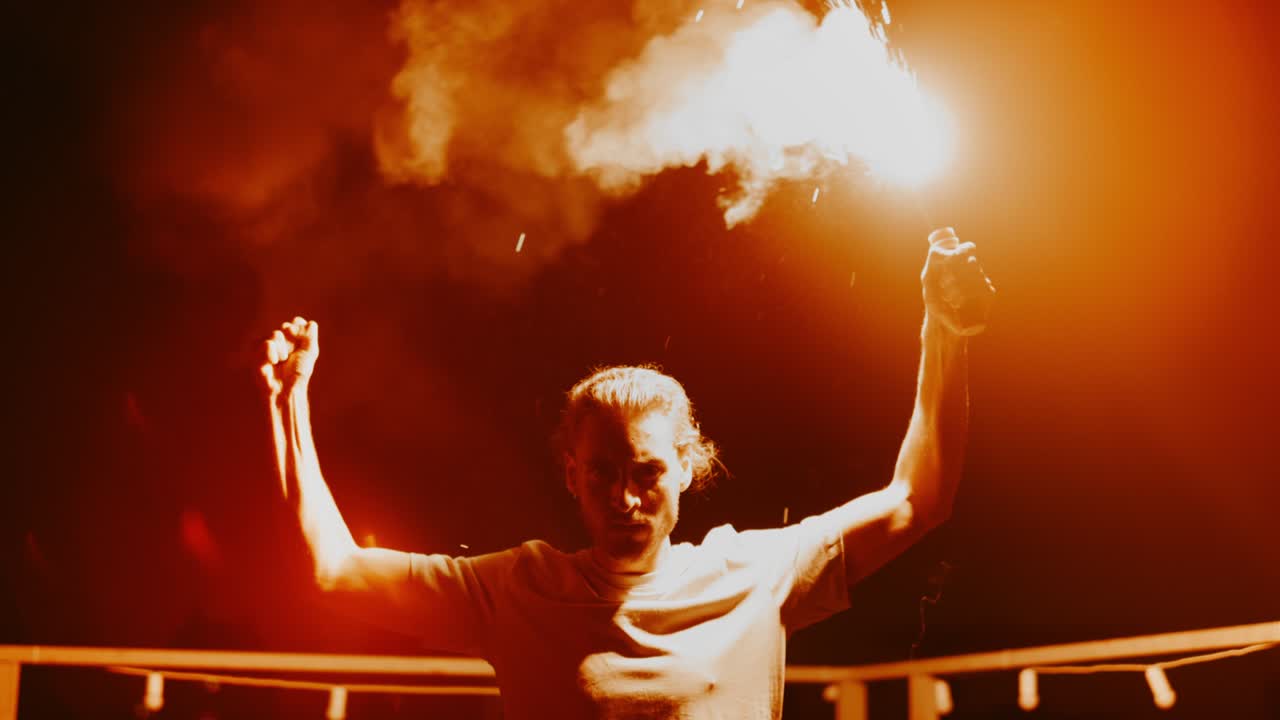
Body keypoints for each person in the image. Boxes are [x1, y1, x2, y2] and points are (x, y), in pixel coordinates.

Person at [259, 232, 994, 719]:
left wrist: (943, 329)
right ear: (570, 474)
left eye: (646, 470)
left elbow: (917, 501)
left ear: (687, 468)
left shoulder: (755, 573)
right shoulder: (516, 590)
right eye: (602, 472)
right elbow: (335, 570)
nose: (625, 496)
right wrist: (289, 405)